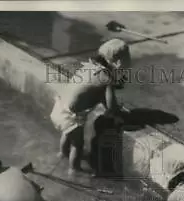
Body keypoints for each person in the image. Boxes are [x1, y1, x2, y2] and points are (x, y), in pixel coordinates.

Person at [50, 38, 131, 176]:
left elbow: (91, 88)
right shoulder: (106, 80)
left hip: (60, 107)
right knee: (78, 144)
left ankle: (62, 154)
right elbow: (110, 106)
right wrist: (118, 110)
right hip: (71, 117)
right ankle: (74, 169)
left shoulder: (91, 66)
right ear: (117, 64)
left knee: (67, 134)